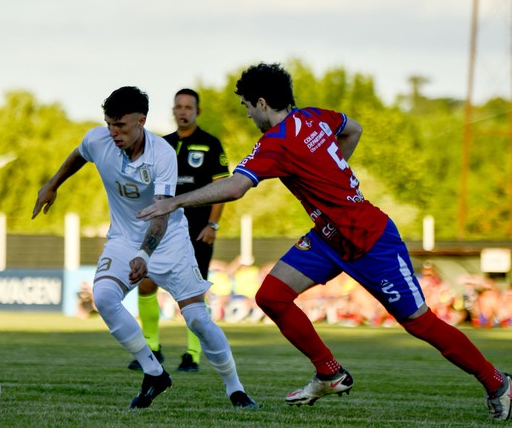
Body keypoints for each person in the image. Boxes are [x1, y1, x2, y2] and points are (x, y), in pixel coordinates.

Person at [137, 63, 512, 421]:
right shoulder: (315, 116)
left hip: (370, 239)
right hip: (329, 238)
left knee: (420, 323)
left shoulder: (275, 142)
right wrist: (334, 172)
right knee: (271, 296)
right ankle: (329, 373)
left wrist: (173, 202)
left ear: (262, 104)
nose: (249, 115)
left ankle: (499, 385)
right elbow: (354, 129)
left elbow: (235, 188)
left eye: (248, 107)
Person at [32, 86, 256, 409]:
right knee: (105, 297)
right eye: (109, 123)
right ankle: (154, 372)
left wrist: (145, 254)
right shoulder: (100, 139)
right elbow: (79, 154)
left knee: (197, 319)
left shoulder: (162, 154)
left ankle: (235, 388)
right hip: (123, 239)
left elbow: (162, 211)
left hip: (170, 240)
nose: (113, 132)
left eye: (121, 125)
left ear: (142, 121)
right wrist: (52, 185)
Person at [128, 88, 230, 373]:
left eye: (188, 107)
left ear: (197, 111)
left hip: (198, 228)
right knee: (146, 282)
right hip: (165, 227)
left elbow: (222, 189)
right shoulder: (161, 144)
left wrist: (212, 225)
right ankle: (151, 347)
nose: (183, 111)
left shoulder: (211, 144)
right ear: (173, 110)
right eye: (179, 107)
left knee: (194, 292)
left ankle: (193, 355)